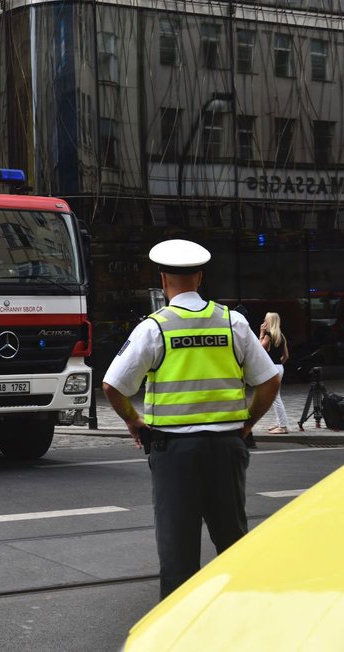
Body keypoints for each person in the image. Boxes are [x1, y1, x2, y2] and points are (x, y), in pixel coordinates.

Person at [102, 239, 280, 600]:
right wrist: (247, 422)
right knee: (233, 542)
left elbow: (113, 385)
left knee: (178, 548)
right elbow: (270, 380)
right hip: (228, 448)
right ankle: (238, 616)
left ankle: (182, 628)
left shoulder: (154, 328)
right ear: (200, 278)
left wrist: (134, 421)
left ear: (164, 279)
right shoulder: (234, 323)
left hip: (175, 452)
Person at [259, 312, 290, 433]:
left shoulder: (268, 335)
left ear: (269, 321)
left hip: (271, 368)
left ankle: (283, 426)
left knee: (275, 398)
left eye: (265, 320)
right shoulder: (281, 336)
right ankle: (280, 423)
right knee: (275, 397)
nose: (263, 322)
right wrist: (278, 366)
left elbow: (259, 350)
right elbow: (286, 356)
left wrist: (261, 334)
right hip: (278, 367)